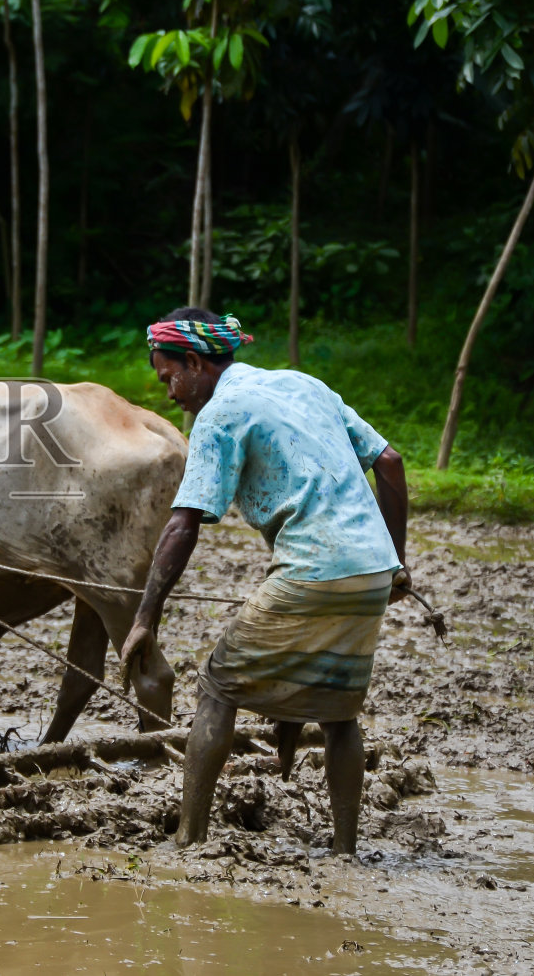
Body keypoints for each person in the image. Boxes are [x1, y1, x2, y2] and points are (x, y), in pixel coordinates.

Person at [118, 307, 409, 855]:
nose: (169, 393)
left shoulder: (220, 412)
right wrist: (396, 561)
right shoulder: (303, 384)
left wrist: (144, 618)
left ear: (195, 362)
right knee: (339, 712)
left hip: (312, 569)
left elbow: (183, 523)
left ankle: (189, 842)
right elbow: (389, 462)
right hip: (371, 573)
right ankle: (346, 853)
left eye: (168, 376)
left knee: (217, 687)